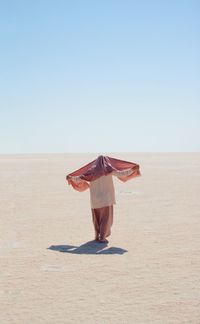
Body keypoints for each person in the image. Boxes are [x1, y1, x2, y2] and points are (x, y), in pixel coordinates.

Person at [68, 163, 136, 243]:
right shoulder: (108, 170)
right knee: (105, 219)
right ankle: (102, 237)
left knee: (96, 219)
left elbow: (79, 178)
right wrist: (133, 169)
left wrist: (71, 178)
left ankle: (97, 236)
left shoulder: (91, 171)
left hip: (95, 200)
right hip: (106, 199)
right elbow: (121, 173)